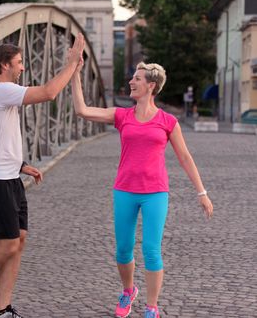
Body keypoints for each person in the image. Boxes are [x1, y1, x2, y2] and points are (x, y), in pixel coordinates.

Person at [0, 33, 85, 318]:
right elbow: (49, 93)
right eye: (19, 63)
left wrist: (20, 164)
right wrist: (72, 64)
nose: (23, 68)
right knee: (8, 244)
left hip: (9, 177)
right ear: (4, 65)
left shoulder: (3, 94)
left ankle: (1, 309)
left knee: (18, 241)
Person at [70, 61, 213, 318]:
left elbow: (185, 157)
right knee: (123, 249)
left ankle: (152, 308)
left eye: (136, 79)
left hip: (155, 193)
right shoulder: (122, 116)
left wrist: (201, 192)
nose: (131, 82)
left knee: (151, 249)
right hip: (124, 190)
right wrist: (74, 73)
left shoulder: (168, 121)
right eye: (132, 78)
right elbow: (82, 110)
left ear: (151, 86)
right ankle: (128, 291)